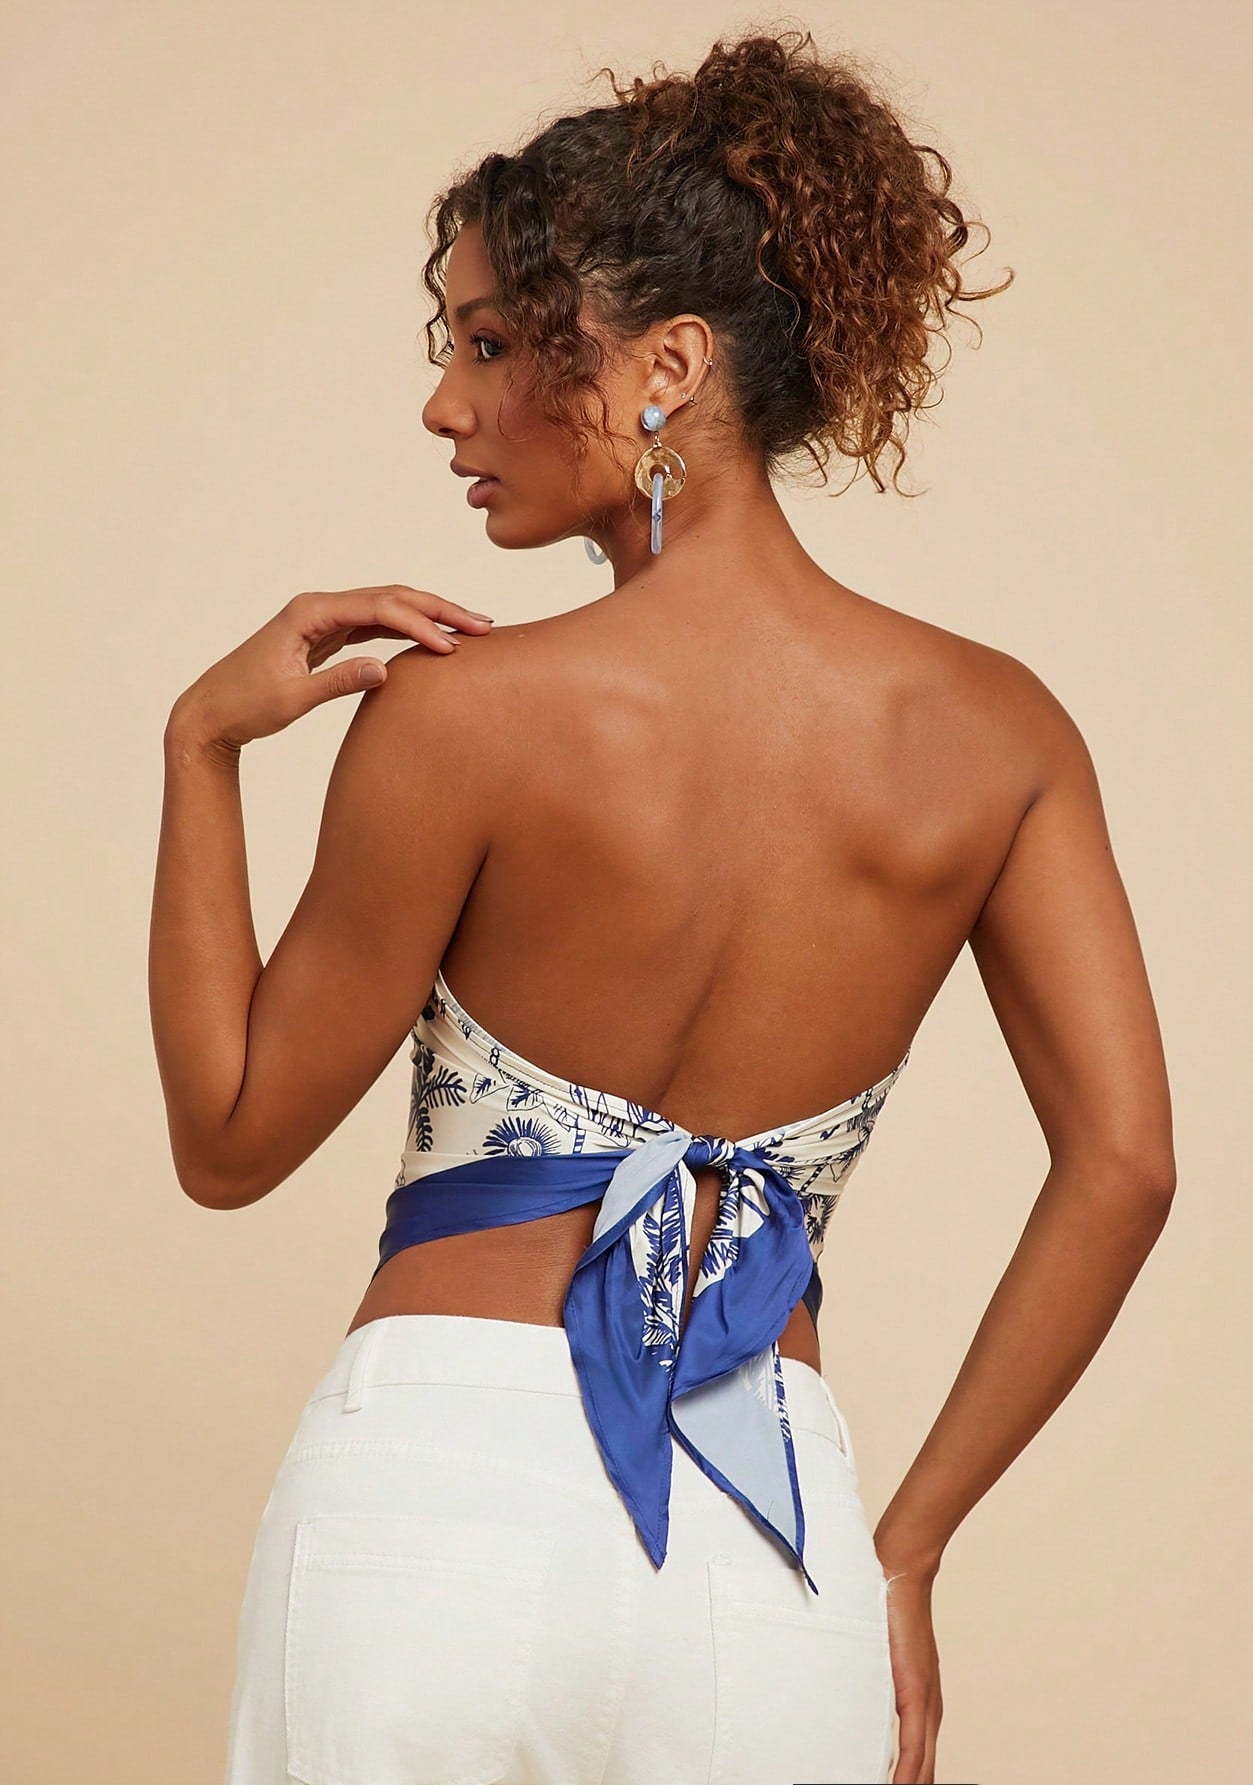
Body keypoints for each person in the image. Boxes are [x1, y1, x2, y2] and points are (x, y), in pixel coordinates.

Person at [149, 27, 1176, 1785]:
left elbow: (230, 1138)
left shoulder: (461, 717)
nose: (445, 405)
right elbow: (1128, 1167)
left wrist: (199, 746)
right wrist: (909, 1546)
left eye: (490, 343)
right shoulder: (1000, 733)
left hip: (434, 1504)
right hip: (766, 1535)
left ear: (668, 366)